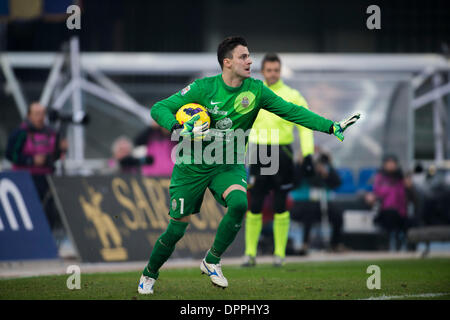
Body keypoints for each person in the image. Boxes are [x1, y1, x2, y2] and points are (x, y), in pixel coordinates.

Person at [138, 36, 361, 294]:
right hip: (192, 165)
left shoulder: (256, 90)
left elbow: (292, 111)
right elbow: (159, 108)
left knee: (240, 203)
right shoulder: (203, 88)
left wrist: (331, 127)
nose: (250, 60)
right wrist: (177, 127)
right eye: (244, 56)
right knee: (177, 228)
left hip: (227, 165)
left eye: (249, 55)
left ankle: (212, 260)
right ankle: (149, 274)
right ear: (227, 62)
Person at [242, 53, 315, 267]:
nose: (273, 74)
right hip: (258, 153)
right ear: (262, 71)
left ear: (280, 71)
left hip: (283, 153)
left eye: (276, 70)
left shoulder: (293, 95)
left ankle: (279, 254)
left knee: (281, 204)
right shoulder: (252, 94)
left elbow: (305, 124)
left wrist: (308, 153)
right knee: (254, 203)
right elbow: (244, 125)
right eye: (269, 70)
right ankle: (250, 254)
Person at [6, 102, 67, 233]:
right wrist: (30, 160)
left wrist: (62, 149)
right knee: (28, 212)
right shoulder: (21, 132)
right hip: (25, 179)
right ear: (29, 115)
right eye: (37, 114)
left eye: (42, 114)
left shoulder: (51, 133)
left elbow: (54, 157)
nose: (40, 117)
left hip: (46, 179)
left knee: (48, 212)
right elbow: (10, 154)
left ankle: (49, 240)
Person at [290, 150, 345, 254]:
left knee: (338, 213)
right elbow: (293, 182)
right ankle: (304, 244)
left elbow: (336, 183)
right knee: (309, 211)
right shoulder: (299, 167)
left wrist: (326, 171)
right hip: (301, 203)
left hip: (322, 202)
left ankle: (335, 244)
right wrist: (301, 164)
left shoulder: (325, 167)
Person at [369, 154, 416, 251]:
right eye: (389, 163)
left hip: (402, 212)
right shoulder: (380, 177)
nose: (391, 165)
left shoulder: (402, 178)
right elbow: (377, 192)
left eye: (393, 163)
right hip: (385, 211)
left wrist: (410, 187)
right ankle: (385, 247)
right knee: (390, 216)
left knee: (412, 222)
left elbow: (412, 196)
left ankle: (410, 251)